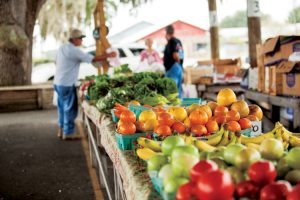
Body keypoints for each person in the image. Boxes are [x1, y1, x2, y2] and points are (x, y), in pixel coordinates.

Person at [54, 29, 116, 140]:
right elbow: (92, 58)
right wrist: (109, 55)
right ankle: (68, 133)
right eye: (81, 38)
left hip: (58, 82)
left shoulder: (63, 47)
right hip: (67, 83)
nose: (82, 40)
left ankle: (61, 130)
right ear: (74, 39)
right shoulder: (74, 50)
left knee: (62, 107)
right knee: (69, 108)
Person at [163, 25, 184, 97]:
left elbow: (175, 55)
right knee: (178, 89)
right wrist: (179, 65)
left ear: (166, 32)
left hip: (172, 68)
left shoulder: (171, 41)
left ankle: (173, 108)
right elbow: (181, 55)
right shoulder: (178, 41)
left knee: (172, 91)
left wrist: (175, 64)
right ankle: (180, 107)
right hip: (179, 67)